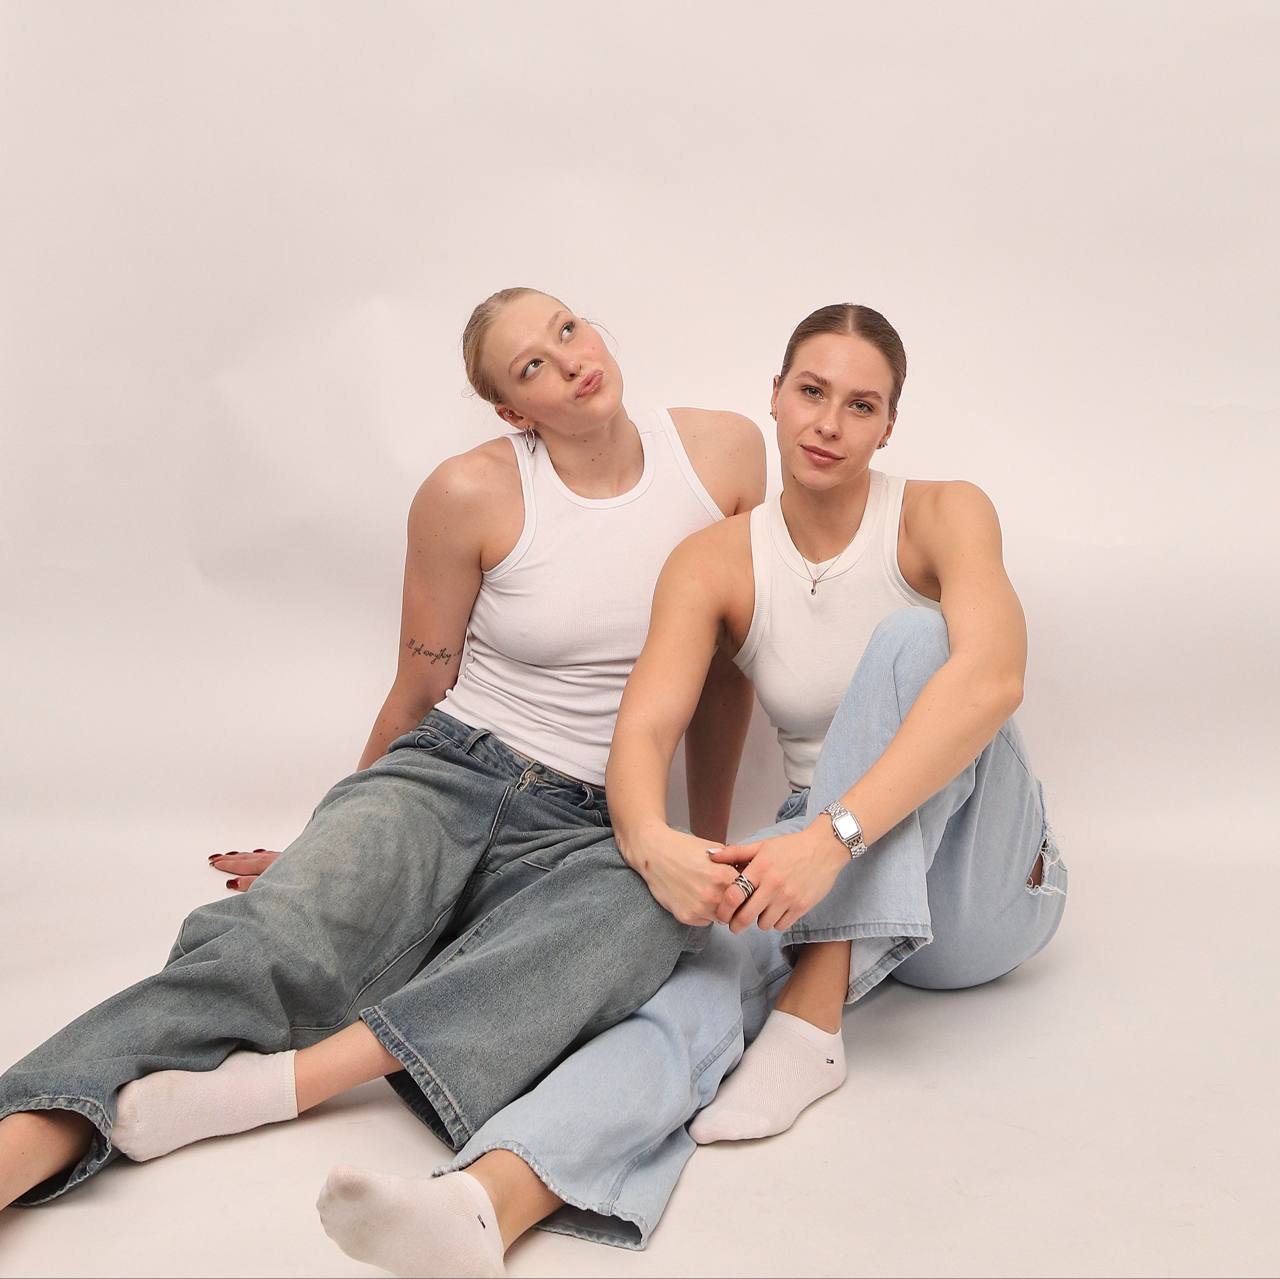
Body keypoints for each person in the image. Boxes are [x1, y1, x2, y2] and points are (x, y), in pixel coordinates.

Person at [0, 288, 767, 1279]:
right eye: (532, 365)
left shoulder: (724, 455)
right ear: (512, 409)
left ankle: (283, 1085)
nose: (570, 360)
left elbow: (725, 671)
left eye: (567, 329)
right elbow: (419, 686)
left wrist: (702, 843)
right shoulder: (469, 492)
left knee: (645, 919)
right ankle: (20, 1146)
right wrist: (339, 837)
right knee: (272, 943)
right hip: (448, 773)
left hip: (598, 819)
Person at [312, 302, 1069, 1277]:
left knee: (918, 641)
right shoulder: (720, 558)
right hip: (832, 867)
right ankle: (488, 1201)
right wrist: (663, 844)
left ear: (888, 425)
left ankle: (811, 1015)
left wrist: (827, 839)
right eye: (811, 392)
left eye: (860, 405)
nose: (828, 423)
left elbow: (994, 679)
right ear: (774, 396)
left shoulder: (942, 510)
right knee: (688, 989)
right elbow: (644, 731)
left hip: (986, 885)